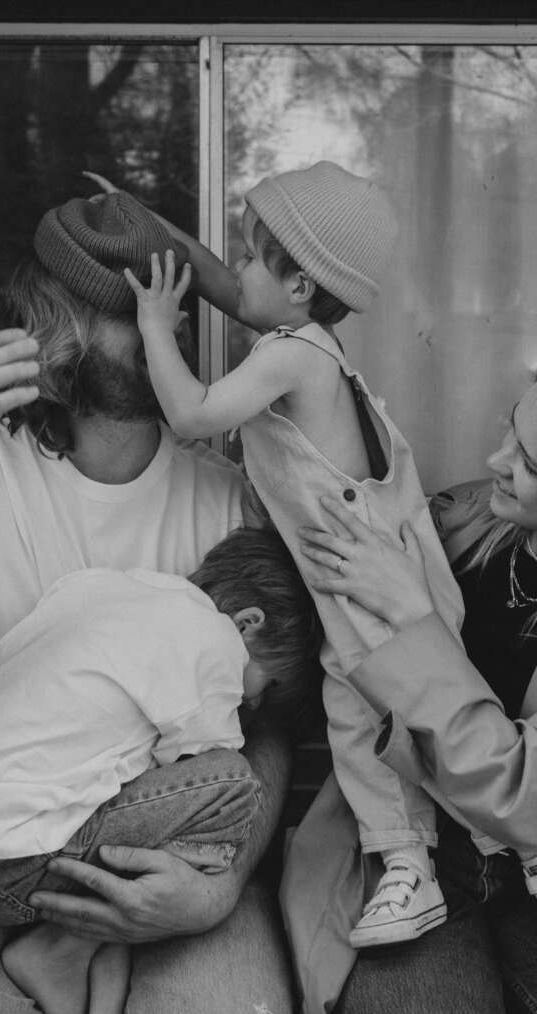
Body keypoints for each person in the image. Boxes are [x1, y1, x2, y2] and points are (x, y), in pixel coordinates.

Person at [0, 189, 310, 1014]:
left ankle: (84, 955)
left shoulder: (229, 502)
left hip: (161, 878)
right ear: (58, 324)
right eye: (128, 309)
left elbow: (267, 728)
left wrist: (219, 888)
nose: (160, 327)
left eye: (171, 304)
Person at [90, 161, 466, 950]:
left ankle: (436, 859)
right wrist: (143, 224)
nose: (237, 273)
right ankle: (453, 851)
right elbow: (220, 281)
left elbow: (192, 415)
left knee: (382, 719)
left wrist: (155, 323)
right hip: (355, 568)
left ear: (298, 285)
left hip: (367, 575)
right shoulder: (302, 338)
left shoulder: (293, 354)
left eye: (254, 257)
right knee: (367, 715)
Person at [290, 354, 537, 1014]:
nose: (495, 462)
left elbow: (532, 792)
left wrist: (412, 617)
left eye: (528, 462)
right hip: (413, 854)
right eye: (509, 433)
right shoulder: (454, 523)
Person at [0, 526, 320, 1014]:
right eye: (268, 685)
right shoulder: (211, 643)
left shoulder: (105, 589)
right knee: (234, 783)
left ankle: (94, 948)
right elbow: (207, 773)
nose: (254, 704)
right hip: (10, 866)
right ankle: (68, 946)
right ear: (247, 623)